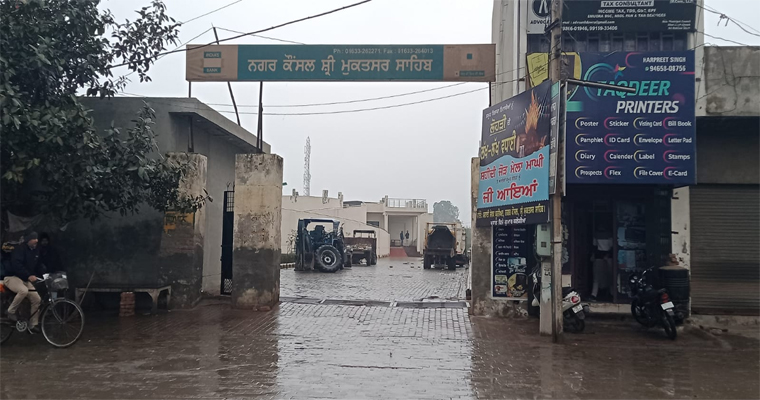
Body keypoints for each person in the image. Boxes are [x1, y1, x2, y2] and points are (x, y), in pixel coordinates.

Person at [5, 232, 43, 333]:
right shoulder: (19, 249)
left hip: (25, 279)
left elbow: (37, 265)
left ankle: (33, 324)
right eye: (34, 239)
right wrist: (28, 275)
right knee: (23, 291)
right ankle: (10, 311)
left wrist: (45, 273)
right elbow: (16, 265)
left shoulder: (35, 251)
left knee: (36, 299)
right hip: (12, 277)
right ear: (28, 240)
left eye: (37, 238)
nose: (36, 241)